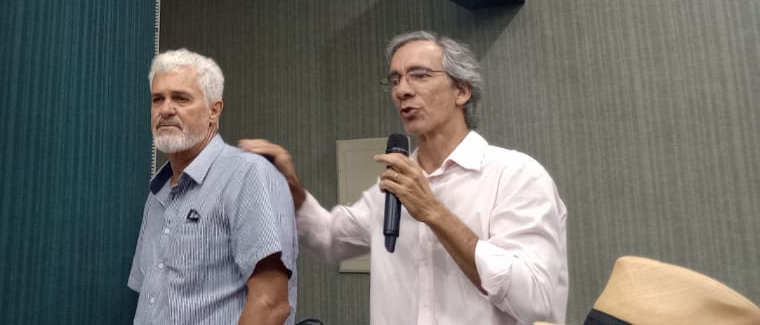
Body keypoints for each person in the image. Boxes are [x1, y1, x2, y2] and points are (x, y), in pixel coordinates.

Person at [241, 31, 568, 325]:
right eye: (395, 80)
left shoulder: (516, 176)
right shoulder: (393, 186)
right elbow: (330, 239)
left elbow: (535, 299)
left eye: (420, 75)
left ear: (462, 91)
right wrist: (292, 188)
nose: (402, 90)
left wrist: (433, 212)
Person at [129, 48, 298, 325]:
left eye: (181, 98)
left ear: (214, 110)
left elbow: (271, 305)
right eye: (158, 99)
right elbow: (151, 297)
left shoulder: (248, 174)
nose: (166, 109)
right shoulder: (158, 194)